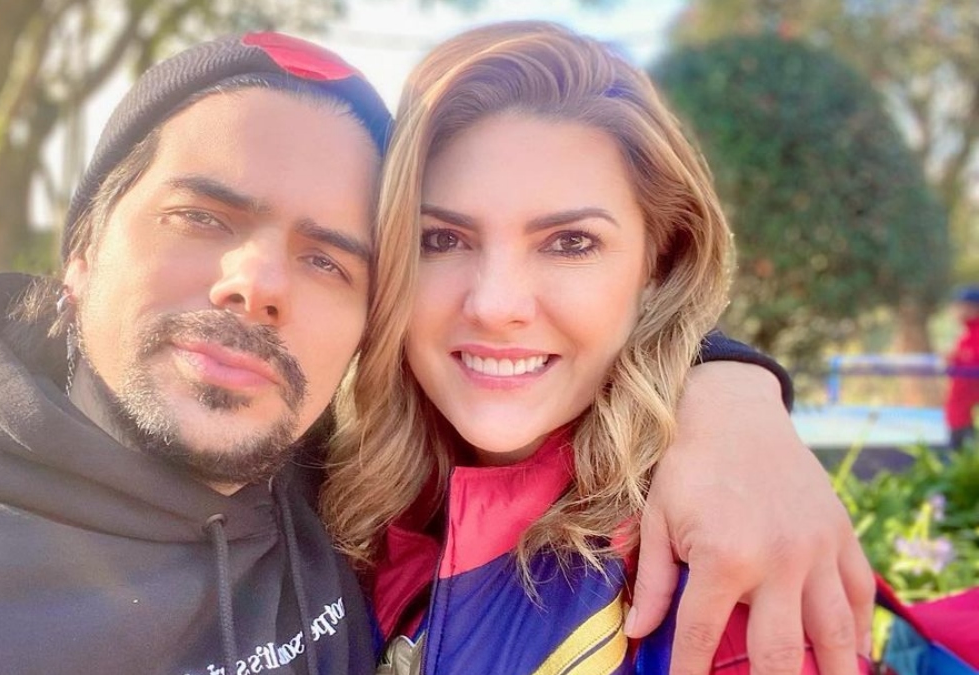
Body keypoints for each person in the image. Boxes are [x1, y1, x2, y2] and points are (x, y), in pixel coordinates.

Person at [0, 32, 866, 675]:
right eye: (201, 216)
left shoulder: (352, 514)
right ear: (80, 251)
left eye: (330, 258)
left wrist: (728, 392)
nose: (257, 282)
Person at [321, 22, 872, 675]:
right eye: (441, 239)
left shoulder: (720, 577)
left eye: (570, 242)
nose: (495, 305)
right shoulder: (339, 501)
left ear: (658, 263)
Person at [945, 285, 979, 451]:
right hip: (959, 416)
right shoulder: (966, 335)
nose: (959, 311)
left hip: (968, 415)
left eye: (964, 306)